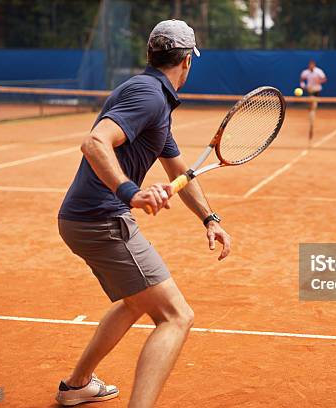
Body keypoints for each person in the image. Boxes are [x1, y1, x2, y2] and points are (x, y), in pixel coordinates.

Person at [55, 20, 231, 407]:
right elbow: (94, 142)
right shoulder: (149, 96)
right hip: (103, 219)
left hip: (84, 218)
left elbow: (180, 172)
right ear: (187, 61)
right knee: (176, 316)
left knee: (135, 301)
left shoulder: (154, 102)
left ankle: (77, 384)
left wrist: (210, 218)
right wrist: (130, 192)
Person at [300, 60, 327, 140]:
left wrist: (319, 81)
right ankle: (311, 119)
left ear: (314, 65)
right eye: (310, 65)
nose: (311, 66)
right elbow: (302, 80)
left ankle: (311, 122)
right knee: (312, 108)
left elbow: (324, 79)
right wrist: (303, 85)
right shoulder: (305, 72)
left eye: (312, 65)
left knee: (312, 107)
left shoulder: (319, 71)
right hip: (309, 91)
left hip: (316, 91)